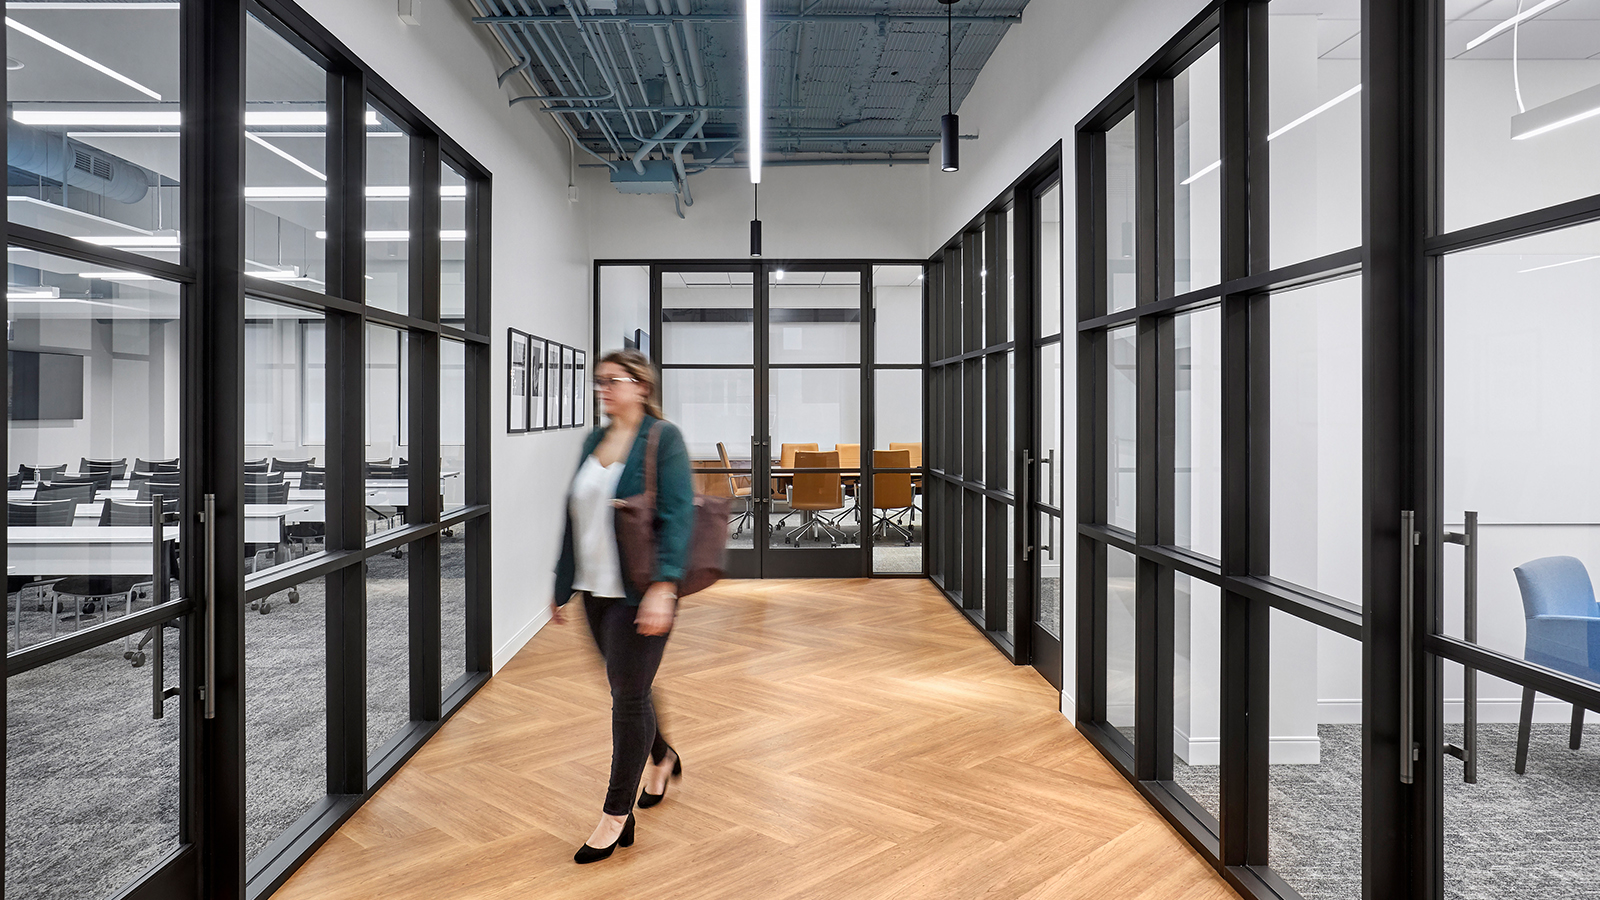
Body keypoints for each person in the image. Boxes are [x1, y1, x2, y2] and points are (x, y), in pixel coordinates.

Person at [550, 348, 694, 864]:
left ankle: (616, 815)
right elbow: (574, 513)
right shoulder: (595, 439)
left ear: (641, 385)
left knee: (628, 699)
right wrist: (561, 583)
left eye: (613, 380)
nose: (603, 389)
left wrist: (664, 587)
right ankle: (663, 756)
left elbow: (678, 516)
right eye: (599, 381)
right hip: (594, 591)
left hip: (640, 589)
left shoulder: (662, 438)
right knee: (628, 688)